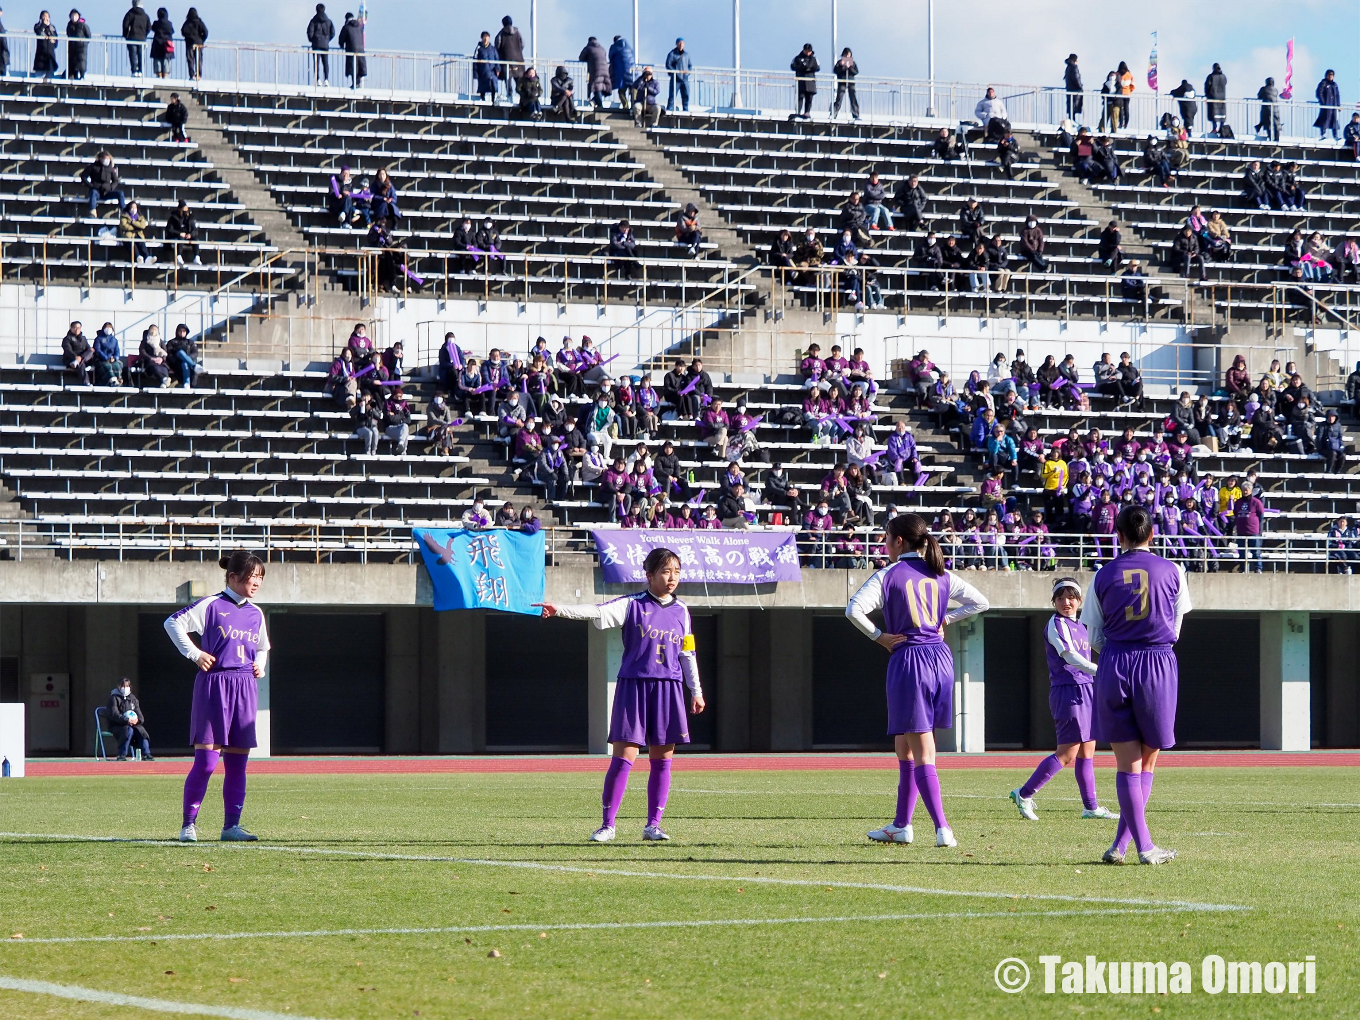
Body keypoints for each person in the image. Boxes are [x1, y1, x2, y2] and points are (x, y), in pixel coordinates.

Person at [536, 548, 705, 843]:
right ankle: (607, 825)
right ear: (649, 575)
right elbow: (597, 611)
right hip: (634, 686)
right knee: (624, 756)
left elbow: (687, 653)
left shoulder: (682, 611)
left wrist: (696, 690)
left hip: (669, 687)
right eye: (666, 571)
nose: (672, 578)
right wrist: (559, 609)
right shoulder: (632, 604)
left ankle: (653, 825)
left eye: (677, 572)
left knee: (662, 759)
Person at [846, 513, 989, 848]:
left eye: (886, 538)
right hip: (940, 659)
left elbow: (853, 610)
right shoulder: (941, 573)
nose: (884, 544)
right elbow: (981, 602)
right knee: (905, 745)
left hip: (911, 660)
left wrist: (879, 636)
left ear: (898, 541)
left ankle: (943, 829)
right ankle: (901, 825)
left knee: (923, 751)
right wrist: (945, 620)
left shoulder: (888, 574)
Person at [1081, 505, 1188, 866]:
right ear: (1152, 535)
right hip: (1157, 661)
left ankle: (1121, 846)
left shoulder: (1103, 574)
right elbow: (1175, 627)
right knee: (1148, 758)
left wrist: (1118, 651)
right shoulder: (1174, 570)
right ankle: (1145, 847)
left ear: (1119, 536)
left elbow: (1093, 636)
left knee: (1127, 762)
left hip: (1115, 661)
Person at [165, 551, 270, 843]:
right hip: (215, 685)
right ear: (233, 577)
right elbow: (172, 623)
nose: (257, 582)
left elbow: (263, 647)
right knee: (207, 762)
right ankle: (188, 825)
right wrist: (195, 653)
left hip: (245, 686)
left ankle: (231, 827)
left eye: (261, 577)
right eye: (253, 576)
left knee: (237, 764)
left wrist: (260, 664)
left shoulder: (256, 613)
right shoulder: (211, 605)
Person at [1010, 578, 1119, 822]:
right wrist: (1100, 670)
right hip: (1068, 691)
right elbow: (1069, 656)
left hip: (1087, 689)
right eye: (1060, 598)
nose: (1066, 602)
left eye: (1071, 597)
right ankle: (1024, 794)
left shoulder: (1082, 625)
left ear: (1080, 600)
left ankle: (1091, 807)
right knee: (1067, 753)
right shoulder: (1056, 624)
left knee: (1087, 751)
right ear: (1054, 602)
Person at [107, 677, 154, 761]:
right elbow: (114, 714)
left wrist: (137, 720)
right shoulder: (113, 698)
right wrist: (126, 720)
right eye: (123, 686)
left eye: (127, 686)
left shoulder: (133, 699)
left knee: (141, 731)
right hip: (118, 725)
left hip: (133, 724)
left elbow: (140, 716)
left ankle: (146, 754)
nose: (125, 688)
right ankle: (122, 754)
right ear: (118, 686)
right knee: (128, 730)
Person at [494, 15, 524, 101]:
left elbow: (497, 46)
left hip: (506, 60)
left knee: (508, 80)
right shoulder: (518, 33)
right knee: (519, 81)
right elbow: (523, 44)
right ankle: (522, 97)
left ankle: (509, 96)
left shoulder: (501, 34)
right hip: (518, 60)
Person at [166, 323, 203, 388]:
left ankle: (187, 383)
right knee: (180, 352)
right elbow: (169, 354)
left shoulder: (190, 342)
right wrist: (175, 361)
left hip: (187, 363)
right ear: (177, 331)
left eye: (184, 331)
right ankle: (194, 366)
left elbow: (195, 352)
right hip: (176, 363)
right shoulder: (171, 342)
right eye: (180, 331)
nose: (182, 332)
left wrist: (187, 358)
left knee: (185, 363)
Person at [578, 35, 610, 110]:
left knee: (597, 88)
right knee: (601, 87)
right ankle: (594, 101)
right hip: (605, 70)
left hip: (595, 71)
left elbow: (581, 58)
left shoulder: (588, 48)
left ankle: (600, 106)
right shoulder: (602, 48)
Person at [307, 3, 335, 84]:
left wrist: (312, 40)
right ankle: (326, 79)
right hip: (325, 44)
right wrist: (327, 40)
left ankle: (318, 79)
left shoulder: (313, 21)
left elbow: (310, 32)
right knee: (325, 62)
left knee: (316, 63)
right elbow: (333, 33)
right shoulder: (329, 21)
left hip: (316, 44)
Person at [338, 9, 366, 89]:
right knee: (360, 66)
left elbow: (341, 39)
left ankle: (354, 83)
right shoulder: (359, 27)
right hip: (361, 50)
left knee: (353, 66)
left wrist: (341, 45)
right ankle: (358, 83)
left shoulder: (346, 27)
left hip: (351, 49)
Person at [790, 43, 819, 120]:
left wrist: (808, 68)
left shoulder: (814, 59)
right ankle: (798, 112)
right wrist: (802, 67)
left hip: (810, 82)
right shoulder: (798, 58)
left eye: (809, 51)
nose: (807, 52)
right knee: (800, 97)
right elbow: (793, 66)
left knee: (809, 98)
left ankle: (807, 112)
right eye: (806, 51)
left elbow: (817, 67)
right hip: (801, 81)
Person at [122, 0, 150, 77]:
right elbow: (149, 28)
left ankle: (134, 71)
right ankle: (141, 71)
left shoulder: (129, 14)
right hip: (142, 39)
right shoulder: (145, 16)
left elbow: (125, 25)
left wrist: (126, 35)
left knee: (133, 55)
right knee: (141, 55)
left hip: (131, 37)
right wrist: (144, 35)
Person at [664, 37, 691, 112]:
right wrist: (675, 72)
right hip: (675, 79)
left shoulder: (686, 55)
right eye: (679, 43)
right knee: (672, 95)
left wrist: (688, 72)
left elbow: (690, 65)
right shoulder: (672, 54)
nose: (681, 44)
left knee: (686, 95)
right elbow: (668, 64)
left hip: (685, 79)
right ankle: (669, 109)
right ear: (676, 44)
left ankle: (685, 110)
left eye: (682, 43)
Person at [832, 47, 859, 121]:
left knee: (853, 99)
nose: (847, 56)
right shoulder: (839, 62)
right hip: (842, 82)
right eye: (845, 55)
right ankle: (834, 114)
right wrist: (842, 66)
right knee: (839, 98)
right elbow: (835, 71)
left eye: (848, 55)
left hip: (851, 82)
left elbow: (856, 72)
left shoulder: (853, 63)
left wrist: (850, 67)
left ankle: (856, 114)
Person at [609, 35, 634, 108]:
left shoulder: (614, 47)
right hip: (631, 72)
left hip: (621, 73)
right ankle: (633, 106)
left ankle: (625, 106)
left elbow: (610, 57)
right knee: (633, 90)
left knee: (621, 92)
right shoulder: (629, 47)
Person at [181, 7, 207, 79]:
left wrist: (188, 37)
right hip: (199, 43)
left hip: (190, 43)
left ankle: (192, 75)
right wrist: (202, 40)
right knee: (199, 59)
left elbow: (183, 32)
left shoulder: (187, 22)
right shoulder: (199, 22)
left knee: (190, 59)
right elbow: (206, 32)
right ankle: (199, 75)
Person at [65, 8, 89, 79]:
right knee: (72, 62)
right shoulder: (69, 25)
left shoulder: (83, 25)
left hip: (81, 47)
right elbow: (68, 34)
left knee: (81, 62)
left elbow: (88, 35)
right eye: (72, 15)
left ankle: (82, 76)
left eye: (75, 15)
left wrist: (84, 43)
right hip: (72, 47)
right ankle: (73, 75)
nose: (74, 17)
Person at [1204, 63, 1228, 136]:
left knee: (1213, 114)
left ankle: (1214, 128)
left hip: (1213, 97)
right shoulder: (1223, 77)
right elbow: (1225, 83)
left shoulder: (1211, 76)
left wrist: (1207, 94)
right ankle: (1221, 127)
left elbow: (1207, 86)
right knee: (1222, 114)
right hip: (1222, 98)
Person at [149, 6, 173, 77]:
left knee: (157, 62)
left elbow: (152, 28)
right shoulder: (169, 24)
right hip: (167, 45)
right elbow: (172, 31)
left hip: (157, 44)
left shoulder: (156, 23)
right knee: (166, 63)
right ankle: (165, 78)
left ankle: (159, 77)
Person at [1256, 77, 1281, 142]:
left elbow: (1259, 96)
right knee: (1276, 123)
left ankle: (1270, 137)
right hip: (1275, 109)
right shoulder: (1276, 90)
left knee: (1267, 123)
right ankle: (1277, 138)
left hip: (1266, 108)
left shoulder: (1263, 89)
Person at [1063, 53, 1083, 118]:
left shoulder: (1068, 67)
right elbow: (1076, 78)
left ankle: (1071, 119)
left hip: (1069, 89)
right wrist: (1080, 87)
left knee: (1071, 106)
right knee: (1074, 106)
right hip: (1075, 90)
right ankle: (1072, 120)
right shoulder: (1074, 67)